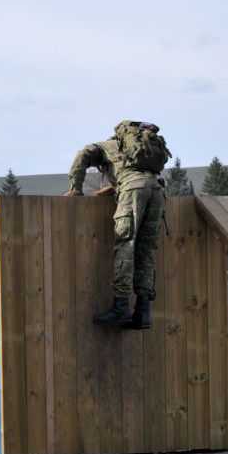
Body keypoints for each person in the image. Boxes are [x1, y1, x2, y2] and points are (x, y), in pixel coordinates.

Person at [64, 132, 166, 329]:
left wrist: (76, 189)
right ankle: (142, 313)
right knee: (145, 250)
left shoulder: (103, 147)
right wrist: (113, 188)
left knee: (126, 244)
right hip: (157, 191)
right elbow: (136, 177)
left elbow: (82, 155)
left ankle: (120, 306)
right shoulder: (138, 151)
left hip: (133, 190)